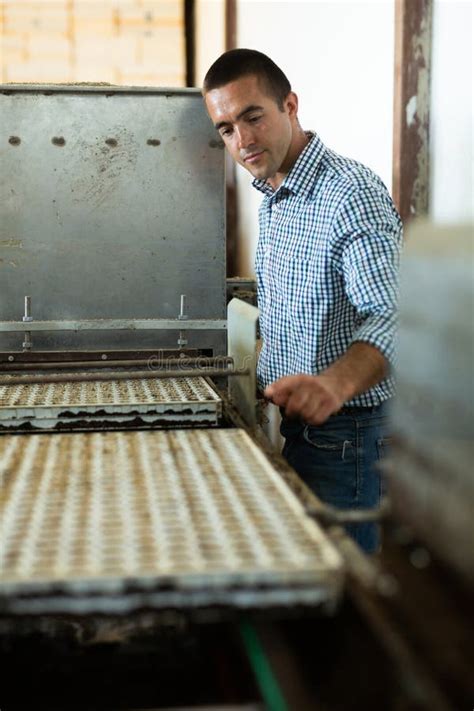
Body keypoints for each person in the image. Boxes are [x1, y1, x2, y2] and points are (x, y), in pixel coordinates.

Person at [203, 49, 402, 553]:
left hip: (350, 437)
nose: (243, 140)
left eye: (253, 117)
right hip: (300, 429)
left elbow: (397, 316)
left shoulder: (349, 192)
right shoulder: (273, 193)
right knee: (308, 572)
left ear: (290, 105)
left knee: (344, 591)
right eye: (226, 128)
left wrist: (333, 384)